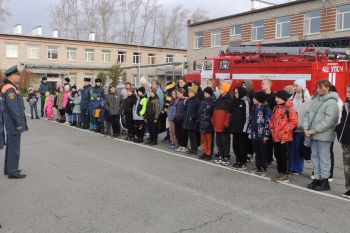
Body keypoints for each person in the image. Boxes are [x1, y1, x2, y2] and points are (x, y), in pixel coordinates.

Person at [303, 79, 339, 191]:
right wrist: (306, 128)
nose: (318, 90)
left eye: (321, 87)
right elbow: (307, 114)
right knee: (315, 157)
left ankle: (324, 180)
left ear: (327, 88)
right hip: (313, 133)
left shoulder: (332, 102)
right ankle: (317, 178)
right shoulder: (315, 100)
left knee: (324, 158)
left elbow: (329, 120)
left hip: (323, 135)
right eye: (318, 87)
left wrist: (313, 130)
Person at [1, 65, 28, 179]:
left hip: (11, 121)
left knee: (11, 145)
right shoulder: (10, 88)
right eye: (18, 75)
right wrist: (18, 123)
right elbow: (13, 108)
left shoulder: (10, 87)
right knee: (14, 147)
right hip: (13, 122)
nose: (19, 77)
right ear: (12, 76)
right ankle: (12, 171)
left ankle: (9, 168)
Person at [269, 90, 298, 183]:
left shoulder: (289, 108)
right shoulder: (276, 108)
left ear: (283, 98)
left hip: (285, 137)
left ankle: (285, 175)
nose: (276, 99)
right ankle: (280, 172)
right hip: (276, 136)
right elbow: (272, 119)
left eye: (278, 97)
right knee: (277, 155)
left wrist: (283, 131)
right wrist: (272, 128)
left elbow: (293, 122)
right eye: (276, 97)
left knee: (284, 156)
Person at [290, 79, 311, 175]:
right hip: (292, 128)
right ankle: (292, 166)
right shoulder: (292, 98)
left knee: (299, 149)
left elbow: (308, 113)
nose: (295, 87)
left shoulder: (308, 99)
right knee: (292, 148)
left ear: (302, 86)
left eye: (296, 86)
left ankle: (298, 168)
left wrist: (306, 126)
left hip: (302, 128)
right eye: (294, 86)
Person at [248, 91, 271, 176]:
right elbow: (251, 120)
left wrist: (266, 135)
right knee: (256, 151)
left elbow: (268, 122)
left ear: (259, 99)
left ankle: (264, 169)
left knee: (263, 152)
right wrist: (250, 131)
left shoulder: (266, 108)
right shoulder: (254, 107)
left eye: (254, 98)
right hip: (254, 133)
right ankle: (257, 167)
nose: (253, 99)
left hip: (262, 135)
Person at [212, 82, 232, 166]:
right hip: (217, 124)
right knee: (218, 142)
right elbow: (215, 111)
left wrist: (226, 122)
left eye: (221, 89)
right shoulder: (219, 99)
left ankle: (226, 157)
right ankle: (221, 155)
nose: (219, 90)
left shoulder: (228, 100)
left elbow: (229, 113)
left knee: (225, 142)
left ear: (225, 90)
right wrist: (213, 119)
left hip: (224, 125)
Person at [336, 83, 350, 199]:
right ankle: (349, 188)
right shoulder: (346, 105)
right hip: (345, 139)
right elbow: (343, 122)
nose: (347, 94)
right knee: (347, 166)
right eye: (347, 92)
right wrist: (339, 129)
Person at [230, 87, 250, 170]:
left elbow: (247, 116)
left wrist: (245, 128)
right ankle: (238, 160)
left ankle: (243, 162)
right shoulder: (235, 101)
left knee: (242, 146)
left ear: (241, 93)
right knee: (235, 146)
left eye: (237, 93)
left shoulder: (245, 102)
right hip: (235, 128)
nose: (235, 94)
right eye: (235, 92)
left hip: (242, 129)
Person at [328, 85, 343, 181]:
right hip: (326, 129)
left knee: (328, 151)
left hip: (331, 129)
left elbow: (335, 118)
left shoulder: (337, 101)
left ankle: (329, 173)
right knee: (323, 152)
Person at [261, 79, 276, 167]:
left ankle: (269, 159)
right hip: (261, 121)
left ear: (268, 85)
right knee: (262, 141)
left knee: (268, 141)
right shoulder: (261, 95)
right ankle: (263, 157)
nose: (261, 85)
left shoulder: (273, 97)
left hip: (269, 121)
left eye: (263, 84)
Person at [183, 86, 201, 155]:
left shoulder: (197, 101)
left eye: (190, 92)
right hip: (188, 121)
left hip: (194, 121)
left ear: (194, 93)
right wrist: (185, 117)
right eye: (188, 92)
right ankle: (191, 148)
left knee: (194, 136)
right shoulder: (188, 100)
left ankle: (195, 149)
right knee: (190, 135)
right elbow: (185, 110)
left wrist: (193, 117)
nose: (189, 94)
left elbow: (198, 111)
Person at [198, 87, 215, 160]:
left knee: (209, 140)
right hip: (202, 123)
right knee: (203, 139)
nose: (204, 94)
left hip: (209, 124)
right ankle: (204, 152)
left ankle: (209, 154)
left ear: (209, 94)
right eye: (204, 93)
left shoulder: (212, 101)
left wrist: (210, 121)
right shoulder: (203, 101)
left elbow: (213, 114)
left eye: (206, 93)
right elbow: (200, 112)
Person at [174, 88, 188, 152]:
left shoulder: (186, 100)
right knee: (177, 133)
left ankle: (184, 146)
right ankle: (180, 145)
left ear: (182, 93)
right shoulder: (177, 100)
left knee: (183, 134)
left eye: (178, 93)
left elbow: (187, 110)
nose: (177, 95)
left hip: (183, 119)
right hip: (176, 119)